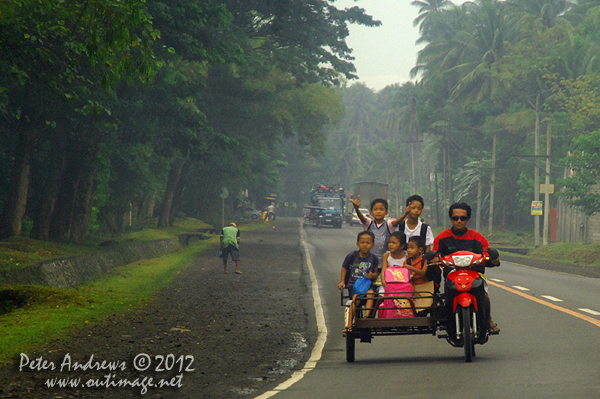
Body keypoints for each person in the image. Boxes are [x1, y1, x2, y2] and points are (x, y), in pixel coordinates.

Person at [432, 202, 501, 334]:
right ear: (451, 218)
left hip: (475, 274)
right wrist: (433, 259)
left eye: (463, 218)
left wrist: (493, 259)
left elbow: (487, 253)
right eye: (455, 218)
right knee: (446, 295)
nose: (459, 221)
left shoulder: (478, 237)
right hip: (451, 275)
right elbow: (434, 254)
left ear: (468, 219)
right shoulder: (441, 238)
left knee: (484, 295)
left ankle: (488, 320)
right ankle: (448, 320)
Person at [350, 196, 402, 293]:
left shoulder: (389, 225)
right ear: (371, 212)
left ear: (386, 212)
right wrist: (356, 208)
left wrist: (406, 213)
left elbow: (396, 222)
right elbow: (362, 218)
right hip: (369, 263)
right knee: (368, 287)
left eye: (381, 209)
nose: (378, 212)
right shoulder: (368, 223)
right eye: (376, 209)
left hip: (385, 264)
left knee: (383, 287)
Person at [338, 231, 379, 332]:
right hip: (354, 285)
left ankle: (366, 318)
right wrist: (342, 281)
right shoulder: (352, 255)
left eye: (368, 243)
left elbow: (376, 273)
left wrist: (371, 275)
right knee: (355, 300)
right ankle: (349, 325)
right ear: (358, 244)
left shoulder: (374, 258)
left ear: (372, 245)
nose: (365, 245)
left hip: (367, 285)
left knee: (371, 294)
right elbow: (344, 268)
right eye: (362, 242)